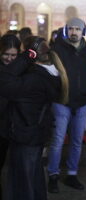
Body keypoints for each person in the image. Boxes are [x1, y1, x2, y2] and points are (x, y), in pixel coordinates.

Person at [0, 36, 67, 200]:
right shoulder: (47, 75)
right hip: (33, 134)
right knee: (33, 179)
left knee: (23, 185)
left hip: (26, 136)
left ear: (31, 53)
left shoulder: (35, 79)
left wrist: (24, 58)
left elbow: (4, 81)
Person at [47, 17, 86, 193]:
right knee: (57, 140)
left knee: (76, 141)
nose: (74, 32)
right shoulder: (57, 50)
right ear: (67, 30)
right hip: (61, 102)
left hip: (81, 103)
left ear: (83, 32)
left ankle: (72, 174)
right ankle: (53, 175)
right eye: (71, 29)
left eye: (78, 29)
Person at [0, 34, 21, 200]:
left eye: (13, 55)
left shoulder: (22, 70)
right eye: (6, 54)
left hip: (14, 124)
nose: (9, 58)